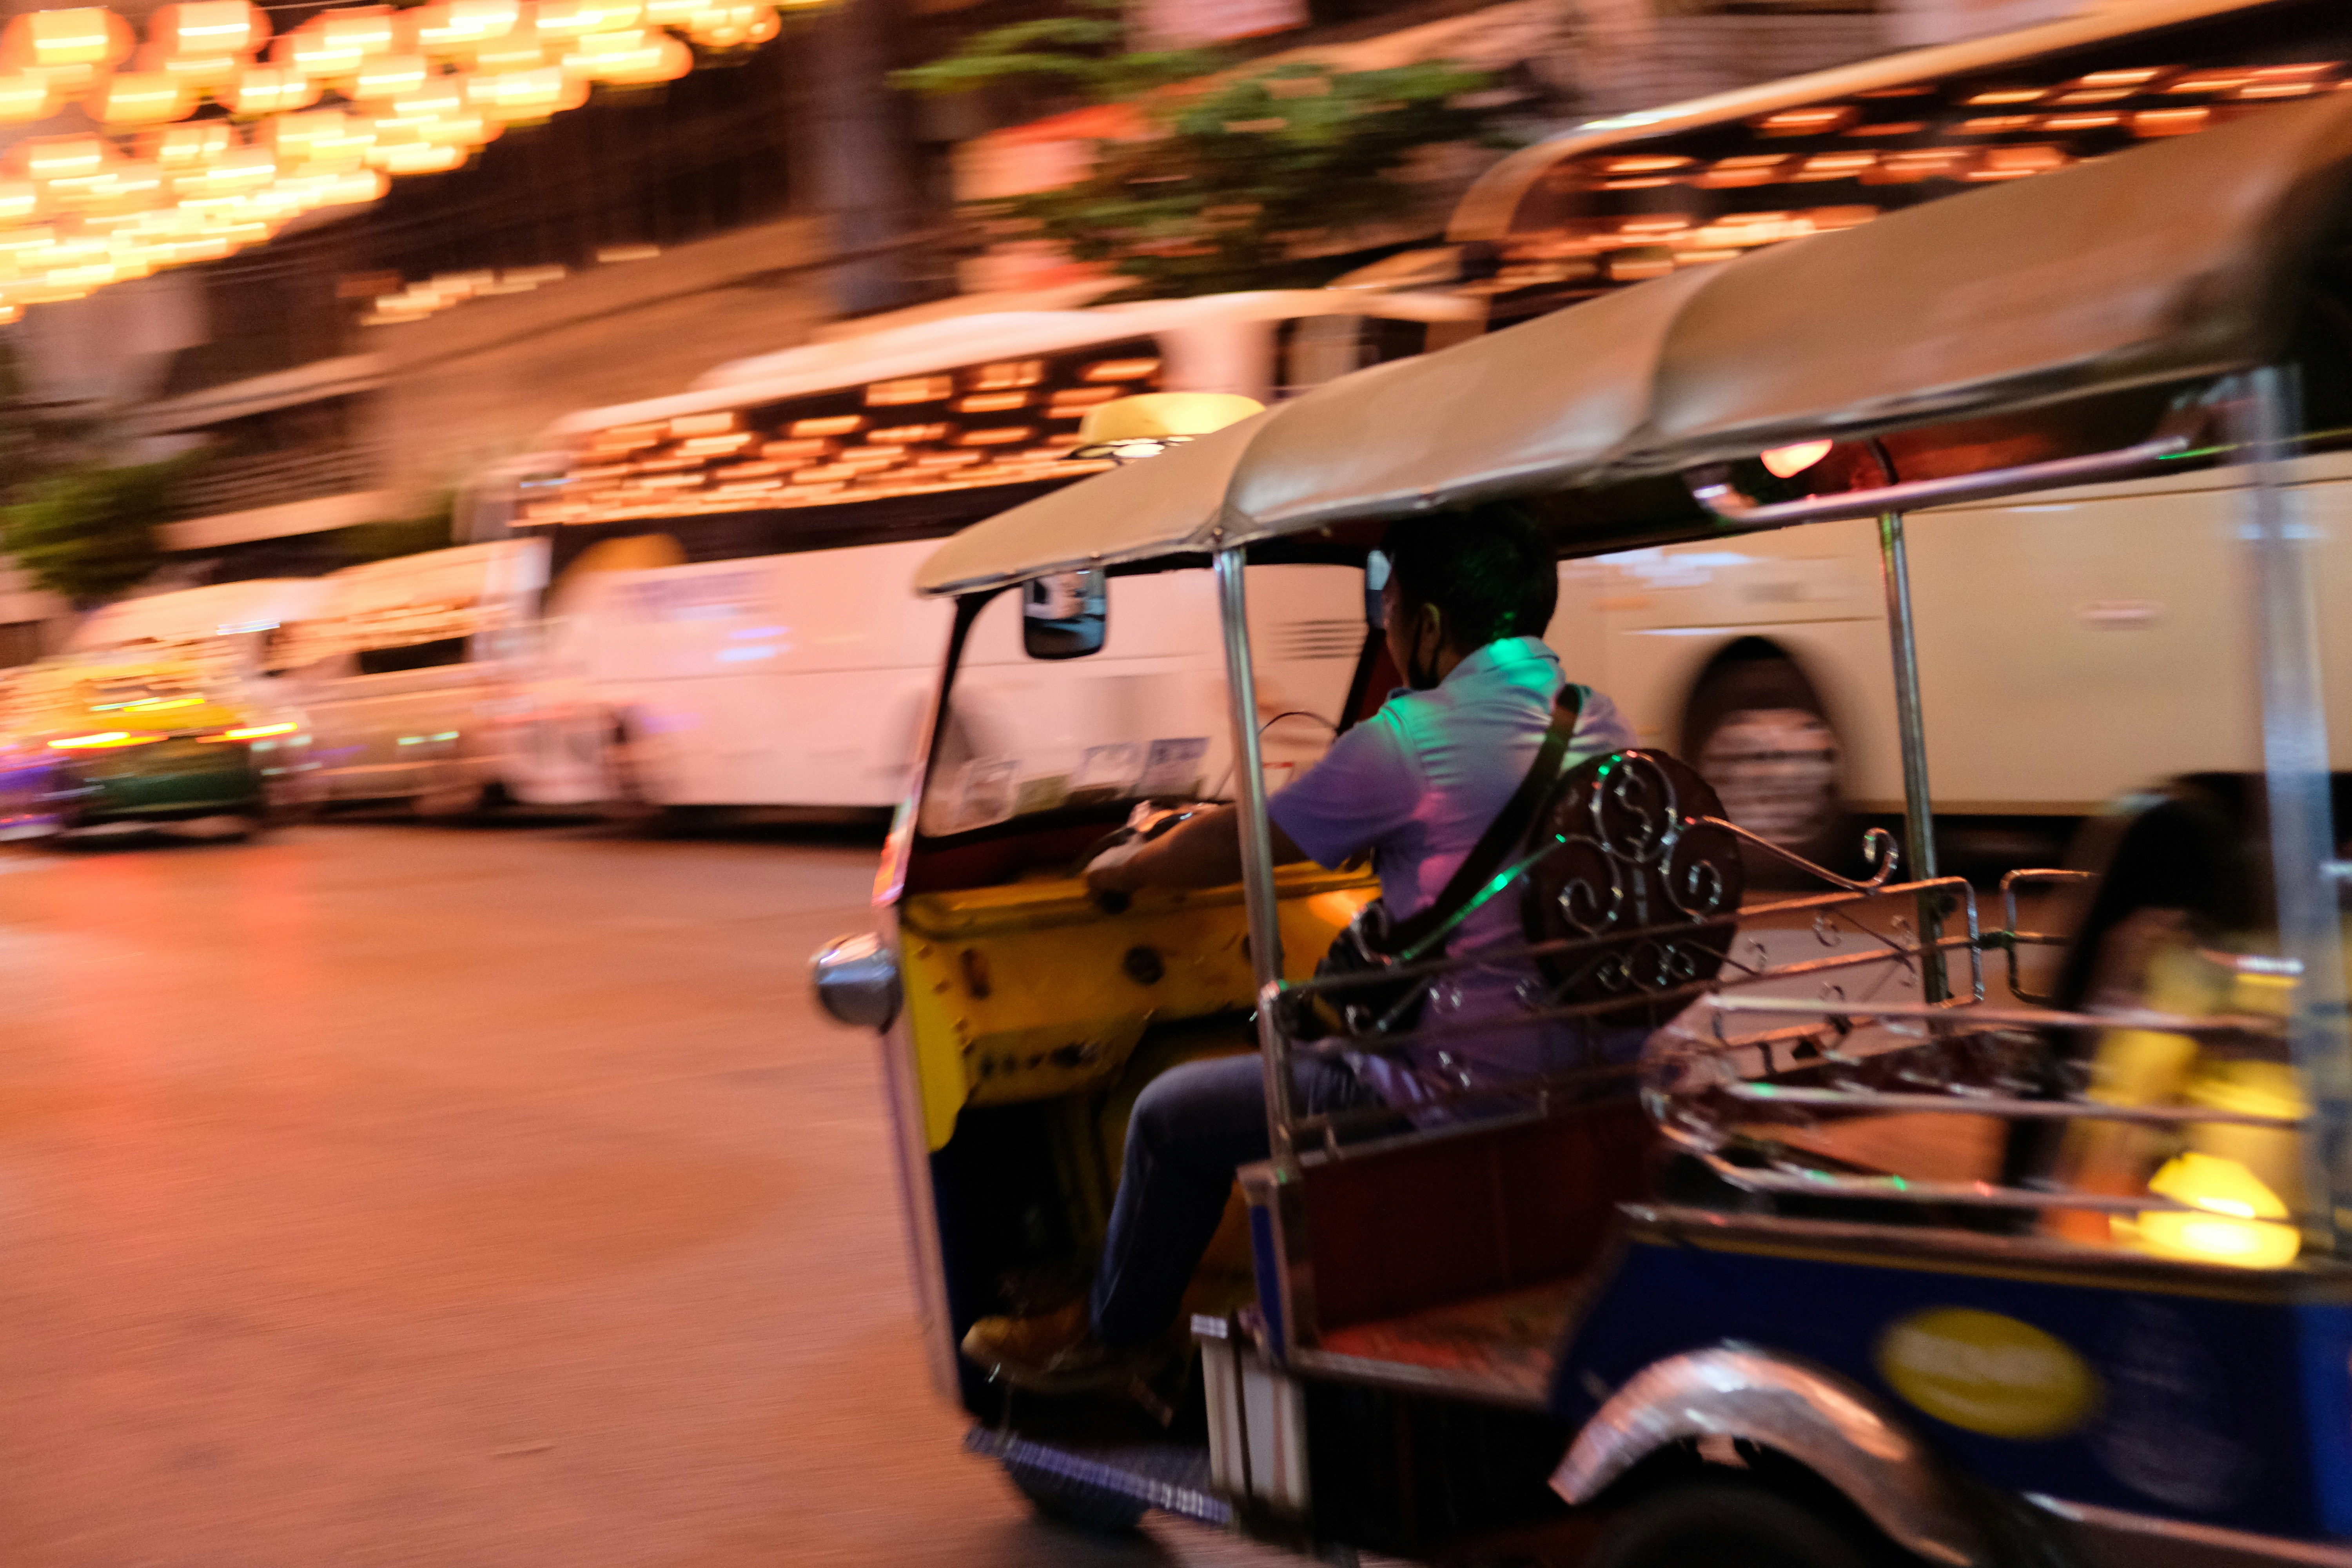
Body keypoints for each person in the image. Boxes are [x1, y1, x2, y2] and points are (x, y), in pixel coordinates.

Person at [959, 501, 1634, 1392]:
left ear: (1427, 623)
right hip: (1591, 1072)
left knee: (1167, 1114)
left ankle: (1114, 1334)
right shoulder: (1597, 717)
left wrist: (1130, 863)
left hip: (1450, 1095)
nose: (1387, 634)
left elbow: (1239, 844)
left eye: (1388, 614)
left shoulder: (1409, 738)